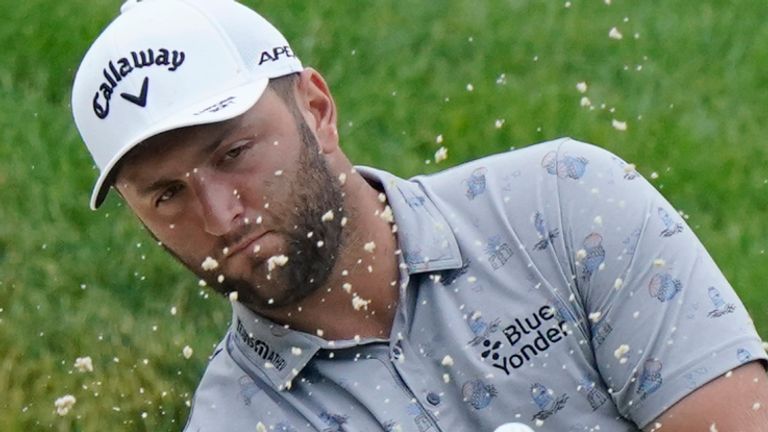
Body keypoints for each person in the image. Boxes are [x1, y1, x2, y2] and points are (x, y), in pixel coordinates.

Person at [71, 0, 768, 430]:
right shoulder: (238, 422)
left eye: (235, 152)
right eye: (167, 195)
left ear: (316, 110)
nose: (220, 215)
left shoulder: (562, 203)